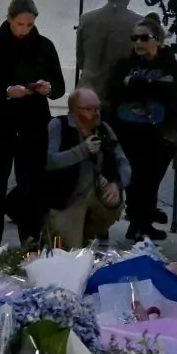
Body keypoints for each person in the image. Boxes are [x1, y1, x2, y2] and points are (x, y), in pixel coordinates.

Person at [0, 0, 63, 242]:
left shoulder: (44, 46)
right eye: (20, 24)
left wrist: (48, 88)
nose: (25, 29)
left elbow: (60, 86)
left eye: (30, 25)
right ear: (9, 19)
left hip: (33, 123)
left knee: (31, 186)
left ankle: (30, 243)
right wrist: (5, 92)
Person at [104, 15, 177, 241]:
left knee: (151, 179)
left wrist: (136, 83)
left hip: (160, 132)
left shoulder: (170, 64)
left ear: (158, 39)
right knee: (134, 177)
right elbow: (116, 91)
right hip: (128, 130)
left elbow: (173, 91)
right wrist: (152, 86)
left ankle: (144, 223)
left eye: (144, 38)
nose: (138, 42)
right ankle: (137, 223)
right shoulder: (124, 64)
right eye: (135, 38)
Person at [41, 89, 126, 247]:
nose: (96, 113)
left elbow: (122, 162)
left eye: (97, 108)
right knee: (70, 250)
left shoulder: (104, 129)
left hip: (94, 191)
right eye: (89, 109)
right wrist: (82, 151)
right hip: (67, 197)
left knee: (113, 202)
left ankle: (90, 231)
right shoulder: (59, 125)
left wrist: (117, 183)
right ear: (74, 110)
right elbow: (49, 161)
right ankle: (55, 231)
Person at [73, 0, 141, 100]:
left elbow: (80, 58)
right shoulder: (138, 23)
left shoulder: (87, 19)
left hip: (87, 90)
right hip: (121, 92)